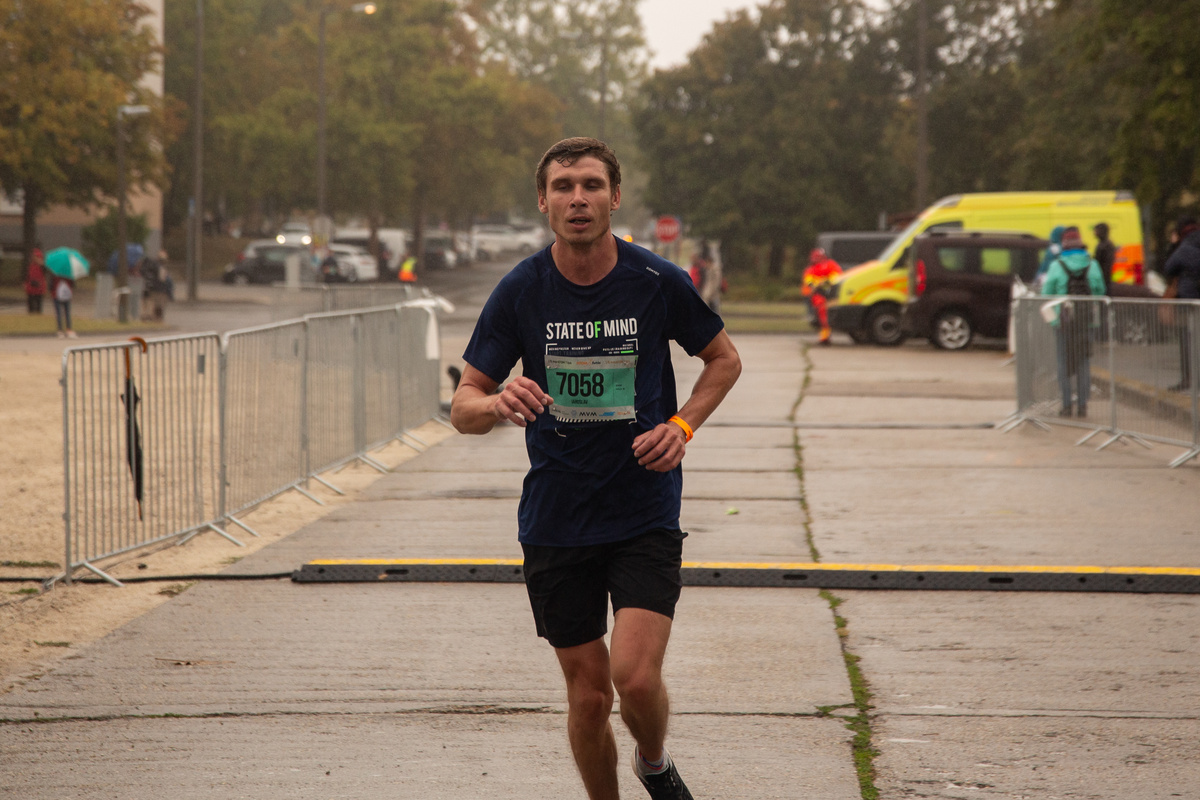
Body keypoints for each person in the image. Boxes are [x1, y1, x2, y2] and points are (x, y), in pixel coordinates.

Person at [450, 137, 741, 800]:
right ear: (543, 201)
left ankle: (654, 762)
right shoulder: (522, 290)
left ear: (614, 196)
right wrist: (496, 402)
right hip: (557, 519)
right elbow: (463, 406)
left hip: (642, 509)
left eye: (590, 185)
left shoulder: (655, 281)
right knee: (587, 696)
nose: (577, 199)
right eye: (562, 186)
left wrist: (682, 425)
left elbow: (723, 359)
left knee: (634, 679)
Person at [1041, 226, 1105, 417]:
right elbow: (1100, 290)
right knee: (1083, 361)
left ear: (1064, 245)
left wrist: (1055, 313)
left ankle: (1066, 405)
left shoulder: (1057, 265)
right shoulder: (1093, 265)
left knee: (1063, 361)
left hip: (1064, 322)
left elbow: (1046, 293)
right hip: (1087, 321)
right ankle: (1083, 405)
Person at [1162, 215, 1200, 392]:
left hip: (1188, 302)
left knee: (1187, 341)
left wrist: (1174, 244)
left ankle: (1188, 379)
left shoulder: (1185, 247)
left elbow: (1169, 268)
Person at [800, 247, 843, 346]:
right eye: (814, 257)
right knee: (821, 313)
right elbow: (808, 280)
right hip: (817, 294)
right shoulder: (811, 268)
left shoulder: (830, 265)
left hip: (832, 293)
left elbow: (837, 276)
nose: (814, 259)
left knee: (825, 314)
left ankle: (825, 336)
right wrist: (815, 285)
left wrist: (825, 282)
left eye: (817, 257)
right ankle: (824, 336)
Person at [50, 273, 77, 338]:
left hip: (57, 295)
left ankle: (60, 330)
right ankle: (68, 329)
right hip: (64, 295)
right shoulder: (69, 274)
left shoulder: (55, 274)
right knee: (66, 313)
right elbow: (73, 284)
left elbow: (51, 285)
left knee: (60, 313)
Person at [1092, 222, 1116, 293]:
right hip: (1107, 277)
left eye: (1096, 230)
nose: (1094, 233)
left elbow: (1098, 262)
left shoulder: (1103, 246)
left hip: (1103, 277)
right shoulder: (1108, 244)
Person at [23, 248, 47, 314]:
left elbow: (45, 273)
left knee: (38, 305)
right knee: (30, 305)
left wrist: (42, 264)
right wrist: (25, 284)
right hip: (30, 288)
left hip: (39, 288)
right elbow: (27, 276)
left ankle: (38, 314)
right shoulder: (30, 266)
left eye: (36, 257)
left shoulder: (42, 266)